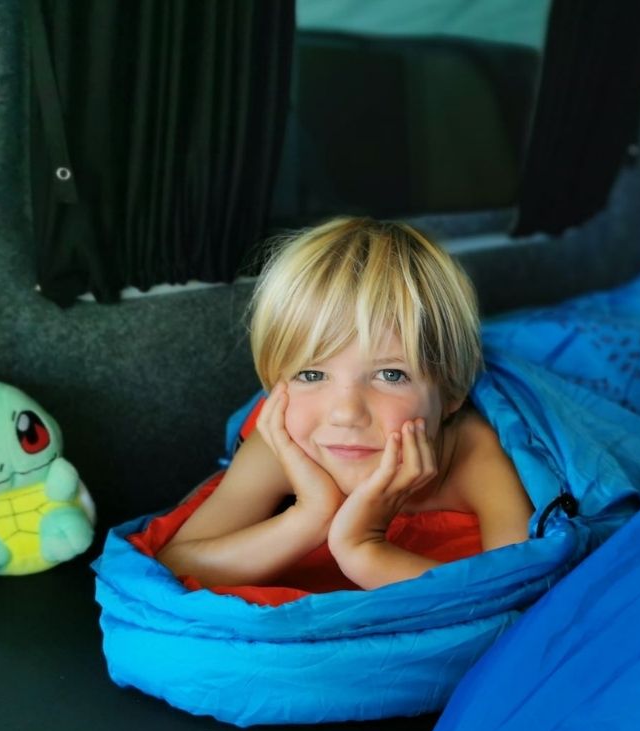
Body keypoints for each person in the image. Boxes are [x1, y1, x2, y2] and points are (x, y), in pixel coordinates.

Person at [157, 217, 533, 590]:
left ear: (451, 394)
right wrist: (311, 515)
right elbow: (176, 565)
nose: (345, 413)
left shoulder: (476, 455)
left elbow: (516, 590)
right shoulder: (285, 443)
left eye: (390, 375)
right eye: (312, 374)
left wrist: (363, 549)